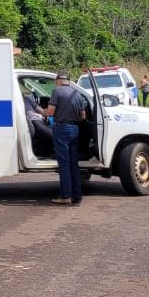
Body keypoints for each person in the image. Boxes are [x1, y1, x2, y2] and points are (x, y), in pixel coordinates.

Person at [45, 71, 87, 205]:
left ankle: (66, 196)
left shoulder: (57, 92)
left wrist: (41, 112)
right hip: (74, 129)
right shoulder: (77, 94)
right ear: (68, 81)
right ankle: (77, 196)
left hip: (61, 129)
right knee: (74, 164)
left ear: (58, 80)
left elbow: (50, 112)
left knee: (64, 164)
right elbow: (83, 117)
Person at [21, 85, 52, 154]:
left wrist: (48, 113)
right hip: (33, 121)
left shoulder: (26, 99)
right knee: (54, 136)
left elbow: (41, 111)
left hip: (37, 120)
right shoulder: (22, 100)